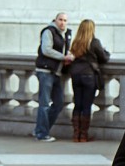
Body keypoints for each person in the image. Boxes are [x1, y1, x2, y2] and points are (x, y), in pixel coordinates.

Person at [33, 12, 73, 142]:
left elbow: (66, 49)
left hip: (57, 72)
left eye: (65, 20)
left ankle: (41, 128)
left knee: (59, 103)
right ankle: (41, 133)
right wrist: (64, 57)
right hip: (45, 71)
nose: (62, 22)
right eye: (60, 19)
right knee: (44, 103)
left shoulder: (67, 34)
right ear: (55, 20)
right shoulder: (49, 31)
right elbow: (46, 49)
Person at [69, 19, 110, 142]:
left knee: (78, 105)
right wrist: (106, 51)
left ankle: (76, 135)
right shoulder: (94, 42)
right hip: (88, 75)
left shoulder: (76, 42)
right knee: (86, 106)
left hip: (75, 75)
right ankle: (83, 136)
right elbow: (103, 58)